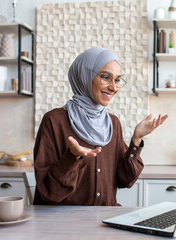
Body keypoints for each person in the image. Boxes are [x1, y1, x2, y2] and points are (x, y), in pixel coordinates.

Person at [33, 47, 168, 205]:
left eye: (117, 80)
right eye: (105, 77)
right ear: (85, 76)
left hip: (105, 219)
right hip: (64, 223)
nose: (114, 87)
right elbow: (49, 192)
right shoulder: (54, 121)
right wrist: (72, 158)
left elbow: (125, 180)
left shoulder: (113, 123)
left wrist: (136, 140)